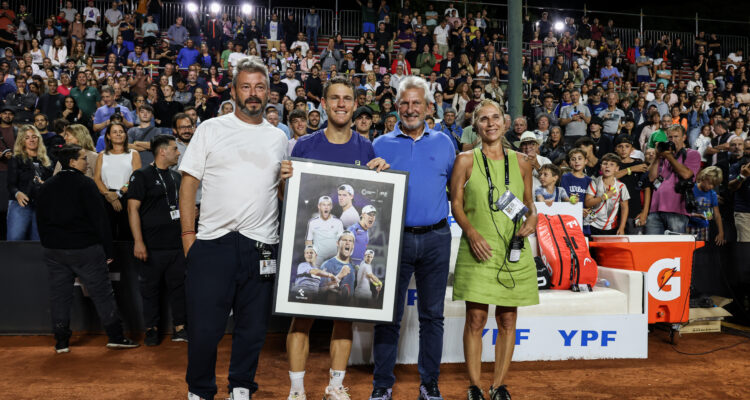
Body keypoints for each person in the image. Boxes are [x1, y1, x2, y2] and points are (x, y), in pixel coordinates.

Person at [179, 57, 287, 400]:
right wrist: (188, 237)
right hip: (212, 243)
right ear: (234, 90)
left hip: (262, 245)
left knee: (253, 328)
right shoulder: (211, 129)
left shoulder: (279, 138)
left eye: (259, 87)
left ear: (268, 91)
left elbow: (281, 194)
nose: (253, 94)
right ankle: (200, 390)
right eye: (246, 87)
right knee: (204, 328)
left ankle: (241, 387)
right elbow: (187, 186)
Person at [286, 75, 389, 400]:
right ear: (324, 103)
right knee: (301, 317)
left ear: (355, 104)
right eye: (335, 98)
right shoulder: (304, 145)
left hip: (346, 252)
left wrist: (384, 177)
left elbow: (377, 198)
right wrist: (283, 181)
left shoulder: (367, 147)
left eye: (347, 98)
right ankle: (297, 390)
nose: (341, 104)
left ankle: (334, 386)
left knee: (343, 318)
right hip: (310, 251)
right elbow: (288, 202)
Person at [370, 76, 455, 400]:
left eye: (416, 103)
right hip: (394, 240)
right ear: (397, 106)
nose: (410, 109)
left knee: (432, 315)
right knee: (387, 315)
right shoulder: (379, 145)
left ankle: (429, 382)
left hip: (436, 238)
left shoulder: (445, 143)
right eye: (404, 103)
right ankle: (382, 385)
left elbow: (457, 190)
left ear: (428, 107)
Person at [450, 99, 538, 400]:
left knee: (508, 320)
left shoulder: (523, 162)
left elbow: (528, 203)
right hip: (478, 247)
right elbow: (456, 205)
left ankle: (499, 385)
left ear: (505, 121)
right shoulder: (465, 159)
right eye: (484, 119)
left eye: (495, 117)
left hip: (512, 248)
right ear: (476, 125)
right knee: (475, 319)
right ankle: (474, 385)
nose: (491, 124)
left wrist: (534, 216)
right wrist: (472, 233)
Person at [36, 144, 139, 354]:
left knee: (59, 296)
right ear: (72, 162)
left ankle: (61, 342)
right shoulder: (86, 184)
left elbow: (40, 220)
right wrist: (108, 251)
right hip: (85, 249)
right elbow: (100, 220)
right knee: (102, 294)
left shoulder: (46, 186)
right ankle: (115, 337)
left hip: (54, 250)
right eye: (83, 158)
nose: (86, 162)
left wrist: (49, 244)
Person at [127, 134, 188, 346]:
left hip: (176, 244)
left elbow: (179, 208)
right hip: (151, 246)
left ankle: (180, 328)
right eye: (175, 149)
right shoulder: (141, 175)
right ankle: (151, 330)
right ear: (162, 151)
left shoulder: (177, 177)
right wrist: (138, 241)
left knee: (179, 288)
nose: (178, 152)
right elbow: (132, 209)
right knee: (149, 290)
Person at [646, 124, 701, 234]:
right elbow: (652, 178)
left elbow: (686, 174)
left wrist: (669, 157)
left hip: (677, 210)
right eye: (670, 137)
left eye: (676, 136)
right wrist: (657, 156)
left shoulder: (692, 154)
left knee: (673, 248)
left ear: (684, 137)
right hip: (655, 209)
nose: (672, 140)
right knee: (653, 248)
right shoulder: (663, 156)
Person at [94, 122, 141, 240]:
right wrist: (109, 195)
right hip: (106, 198)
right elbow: (97, 179)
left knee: (127, 234)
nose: (118, 134)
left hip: (127, 196)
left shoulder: (133, 154)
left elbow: (134, 178)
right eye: (114, 132)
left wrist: (119, 193)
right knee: (108, 234)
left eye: (121, 131)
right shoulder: (102, 155)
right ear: (108, 136)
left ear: (125, 134)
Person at [7, 125, 53, 240]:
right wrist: (17, 193)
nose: (31, 140)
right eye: (27, 138)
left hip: (41, 205)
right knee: (15, 240)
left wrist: (45, 184)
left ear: (39, 138)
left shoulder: (47, 160)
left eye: (34, 137)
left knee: (38, 242)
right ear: (22, 141)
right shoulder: (16, 159)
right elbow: (11, 184)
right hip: (21, 204)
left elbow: (52, 183)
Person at [584, 153, 630, 235]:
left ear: (617, 168)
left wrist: (622, 227)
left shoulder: (621, 186)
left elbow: (624, 208)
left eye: (611, 164)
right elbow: (587, 203)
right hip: (592, 224)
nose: (607, 166)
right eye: (605, 164)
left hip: (611, 226)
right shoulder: (594, 182)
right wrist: (604, 197)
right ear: (601, 167)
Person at [687, 166, 725, 245]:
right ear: (703, 177)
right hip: (688, 226)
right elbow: (682, 209)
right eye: (710, 183)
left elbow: (717, 214)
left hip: (704, 228)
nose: (711, 187)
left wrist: (721, 233)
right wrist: (697, 215)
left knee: (701, 251)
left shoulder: (712, 194)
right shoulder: (691, 189)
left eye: (714, 186)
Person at [561, 148, 593, 235]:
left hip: (585, 218)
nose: (576, 161)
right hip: (570, 216)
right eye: (573, 159)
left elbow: (591, 200)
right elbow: (564, 198)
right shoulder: (566, 177)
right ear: (570, 163)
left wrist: (587, 211)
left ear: (585, 161)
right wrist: (578, 209)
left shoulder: (589, 180)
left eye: (580, 158)